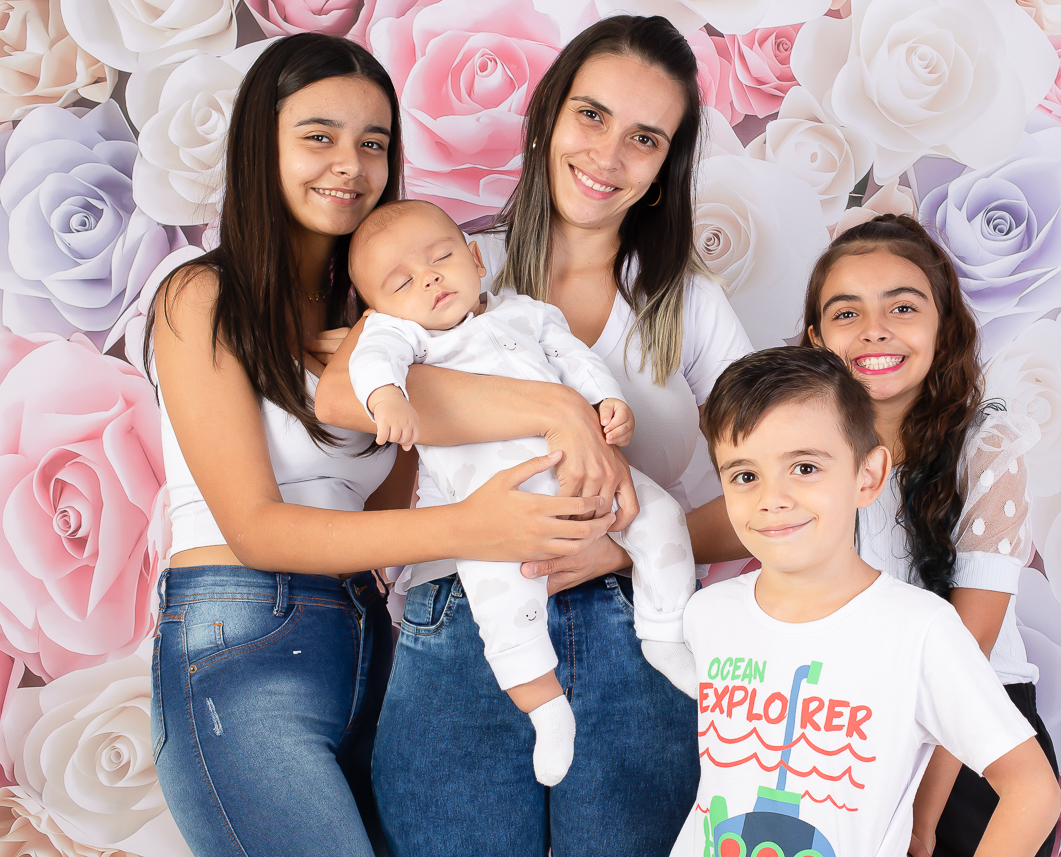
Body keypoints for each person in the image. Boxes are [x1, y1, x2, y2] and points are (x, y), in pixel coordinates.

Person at [146, 34, 623, 857]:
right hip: (240, 640)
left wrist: (566, 418)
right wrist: (475, 525)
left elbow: (400, 496)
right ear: (262, 145)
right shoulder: (202, 294)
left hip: (368, 638)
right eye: (319, 136)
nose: (351, 164)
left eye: (374, 143)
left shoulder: (387, 324)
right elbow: (256, 527)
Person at [316, 15, 754, 855]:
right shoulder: (448, 261)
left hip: (641, 623)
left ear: (665, 167)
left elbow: (770, 491)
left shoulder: (688, 304)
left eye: (645, 138)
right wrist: (556, 410)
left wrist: (618, 551)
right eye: (591, 115)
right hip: (464, 611)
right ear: (548, 116)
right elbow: (345, 391)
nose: (608, 155)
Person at [345, 199, 698, 786]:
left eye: (440, 258)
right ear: (378, 307)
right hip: (497, 516)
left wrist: (608, 401)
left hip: (585, 477)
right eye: (402, 282)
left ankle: (665, 632)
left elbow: (574, 358)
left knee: (660, 516)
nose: (428, 278)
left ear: (476, 259)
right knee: (503, 603)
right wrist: (387, 398)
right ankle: (544, 707)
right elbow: (371, 361)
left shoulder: (527, 314)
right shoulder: (403, 336)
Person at [674, 346, 1061, 857]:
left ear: (868, 476)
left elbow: (1033, 789)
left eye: (805, 467)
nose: (772, 499)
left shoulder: (920, 629)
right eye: (745, 476)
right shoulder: (707, 614)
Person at [799, 214, 1059, 857]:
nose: (874, 329)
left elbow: (965, 660)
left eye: (903, 307)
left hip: (975, 746)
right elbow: (721, 524)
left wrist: (921, 815)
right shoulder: (807, 458)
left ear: (944, 329)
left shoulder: (986, 451)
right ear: (815, 340)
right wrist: (611, 548)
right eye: (846, 312)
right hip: (855, 730)